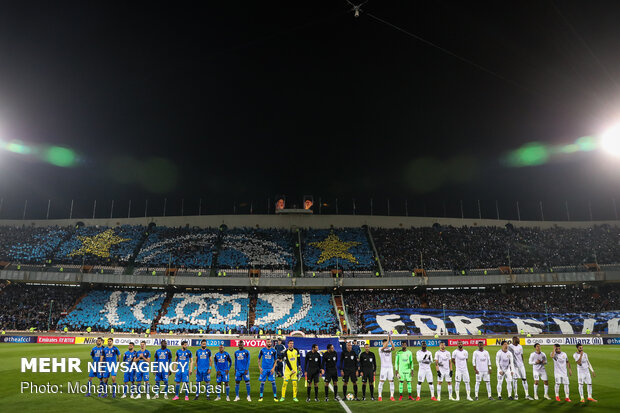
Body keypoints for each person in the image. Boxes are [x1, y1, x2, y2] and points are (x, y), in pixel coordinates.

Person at [378, 334, 395, 401]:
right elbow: (384, 347)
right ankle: (380, 396)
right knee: (381, 382)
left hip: (390, 368)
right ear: (383, 343)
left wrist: (391, 341)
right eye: (385, 343)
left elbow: (393, 348)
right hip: (383, 368)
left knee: (391, 382)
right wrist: (388, 339)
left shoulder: (389, 348)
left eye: (386, 343)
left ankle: (392, 396)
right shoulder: (380, 349)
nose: (386, 344)